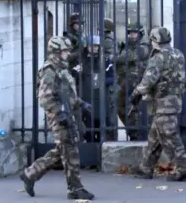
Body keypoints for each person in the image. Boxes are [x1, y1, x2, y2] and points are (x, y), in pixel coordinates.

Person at [20, 36, 94, 200]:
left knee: (64, 149)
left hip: (67, 113)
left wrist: (81, 104)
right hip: (58, 117)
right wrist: (60, 113)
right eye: (64, 51)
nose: (67, 54)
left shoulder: (62, 69)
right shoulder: (50, 70)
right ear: (55, 52)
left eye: (67, 50)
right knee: (69, 150)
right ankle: (75, 188)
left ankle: (30, 174)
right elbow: (44, 98)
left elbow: (67, 94)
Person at [129, 27, 186, 182]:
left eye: (152, 40)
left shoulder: (158, 57)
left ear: (155, 41)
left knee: (170, 137)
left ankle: (184, 169)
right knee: (155, 137)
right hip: (174, 100)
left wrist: (136, 93)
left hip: (163, 102)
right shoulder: (178, 53)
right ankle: (146, 167)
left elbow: (149, 80)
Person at [77, 33, 117, 142]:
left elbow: (112, 78)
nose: (93, 48)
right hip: (86, 97)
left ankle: (101, 148)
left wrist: (103, 81)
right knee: (88, 127)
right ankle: (90, 147)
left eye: (96, 46)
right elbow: (75, 77)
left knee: (101, 126)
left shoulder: (105, 60)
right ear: (87, 47)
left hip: (101, 98)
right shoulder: (81, 60)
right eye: (91, 46)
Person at [116, 21, 151, 140]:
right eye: (130, 32)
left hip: (137, 83)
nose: (132, 35)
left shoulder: (144, 46)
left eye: (134, 32)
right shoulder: (126, 46)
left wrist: (115, 58)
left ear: (140, 33)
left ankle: (136, 135)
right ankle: (131, 131)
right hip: (123, 82)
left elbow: (129, 57)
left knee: (133, 109)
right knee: (120, 107)